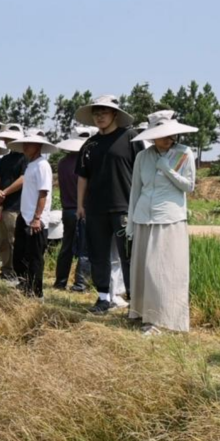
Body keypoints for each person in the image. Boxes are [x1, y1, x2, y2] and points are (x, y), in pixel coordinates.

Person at [127, 113, 197, 335]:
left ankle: (164, 319)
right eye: (163, 135)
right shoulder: (142, 157)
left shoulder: (184, 153)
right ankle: (142, 314)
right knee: (144, 269)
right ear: (152, 136)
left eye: (171, 135)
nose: (169, 139)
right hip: (143, 217)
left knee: (163, 271)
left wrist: (167, 169)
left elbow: (189, 186)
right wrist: (130, 222)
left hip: (169, 218)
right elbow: (136, 190)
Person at [74, 95, 140, 315]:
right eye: (96, 113)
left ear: (115, 114)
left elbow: (141, 170)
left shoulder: (130, 137)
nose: (100, 116)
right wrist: (80, 205)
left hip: (124, 207)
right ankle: (103, 298)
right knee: (98, 255)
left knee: (128, 255)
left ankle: (135, 301)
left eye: (104, 112)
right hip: (95, 208)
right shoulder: (89, 145)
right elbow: (82, 177)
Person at [6, 132, 55, 298]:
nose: (26, 147)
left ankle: (36, 292)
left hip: (36, 219)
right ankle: (24, 284)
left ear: (39, 146)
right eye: (24, 144)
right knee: (20, 254)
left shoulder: (42, 165)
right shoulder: (30, 165)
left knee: (35, 258)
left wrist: (37, 218)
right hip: (25, 215)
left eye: (30, 144)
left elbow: (43, 193)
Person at [53, 125, 97, 291]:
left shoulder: (62, 163)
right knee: (85, 248)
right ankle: (80, 283)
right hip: (82, 209)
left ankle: (60, 281)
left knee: (66, 247)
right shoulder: (86, 162)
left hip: (67, 209)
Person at [0, 124, 27, 282]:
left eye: (8, 139)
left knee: (14, 240)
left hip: (17, 205)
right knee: (3, 240)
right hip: (2, 205)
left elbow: (23, 179)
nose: (5, 141)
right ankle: (6, 270)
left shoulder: (24, 158)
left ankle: (16, 272)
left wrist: (4, 192)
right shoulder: (5, 159)